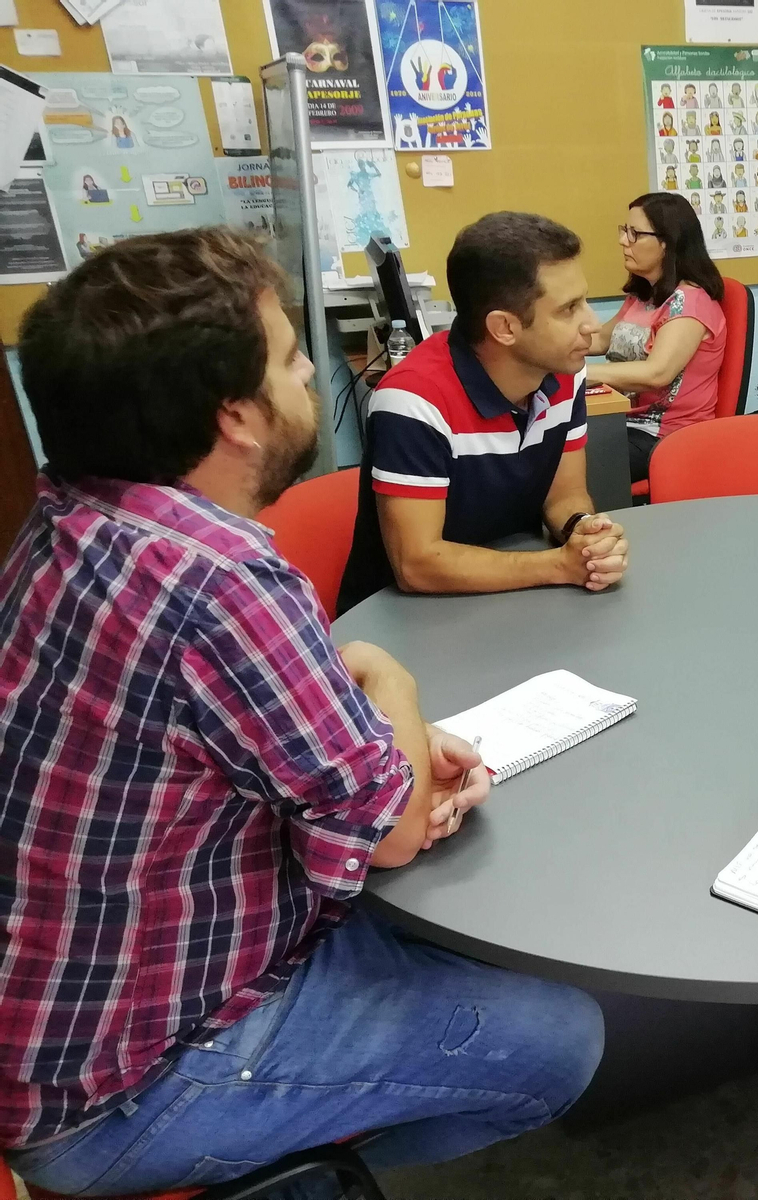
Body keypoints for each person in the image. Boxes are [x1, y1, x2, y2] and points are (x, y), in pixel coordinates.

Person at [0, 228, 603, 1196]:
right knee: (560, 1043)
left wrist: (364, 736)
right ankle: (290, 1174)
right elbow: (396, 834)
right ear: (234, 416)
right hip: (124, 1083)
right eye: (289, 359)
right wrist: (389, 687)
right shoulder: (225, 581)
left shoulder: (70, 515)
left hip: (52, 1018)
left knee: (446, 912)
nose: (312, 381)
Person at [337, 212, 628, 613]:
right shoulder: (413, 402)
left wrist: (582, 530)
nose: (592, 324)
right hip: (410, 622)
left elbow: (564, 494)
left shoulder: (562, 374)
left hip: (513, 597)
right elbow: (417, 565)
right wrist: (558, 565)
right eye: (569, 309)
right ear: (504, 328)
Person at [586, 193, 727, 489]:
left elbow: (657, 373)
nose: (624, 241)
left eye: (635, 234)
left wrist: (584, 375)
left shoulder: (690, 304)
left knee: (564, 465)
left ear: (667, 243)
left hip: (667, 437)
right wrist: (540, 352)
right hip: (625, 423)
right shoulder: (644, 296)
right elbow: (601, 340)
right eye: (624, 231)